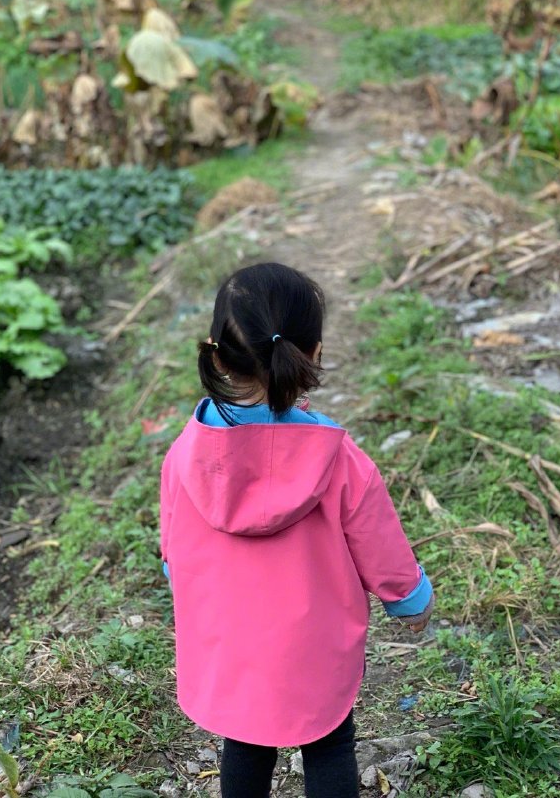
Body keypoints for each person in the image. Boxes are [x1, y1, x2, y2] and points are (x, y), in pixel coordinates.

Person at [160, 262, 434, 798]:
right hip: (314, 651)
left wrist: (184, 589)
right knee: (330, 744)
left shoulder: (185, 455)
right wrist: (410, 600)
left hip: (230, 647)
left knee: (244, 746)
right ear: (312, 353)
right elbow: (383, 548)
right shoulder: (340, 459)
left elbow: (174, 550)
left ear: (217, 354)